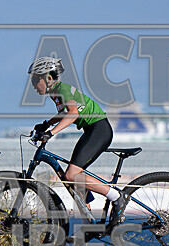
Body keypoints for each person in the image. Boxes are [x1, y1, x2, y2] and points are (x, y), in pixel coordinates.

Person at [28, 56, 129, 226]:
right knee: (74, 178)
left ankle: (117, 196)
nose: (32, 84)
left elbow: (73, 114)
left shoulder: (62, 90)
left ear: (48, 78)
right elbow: (65, 112)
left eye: (35, 79)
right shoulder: (56, 93)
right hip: (92, 130)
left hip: (99, 130)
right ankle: (88, 224)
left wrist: (51, 133)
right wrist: (46, 124)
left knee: (71, 175)